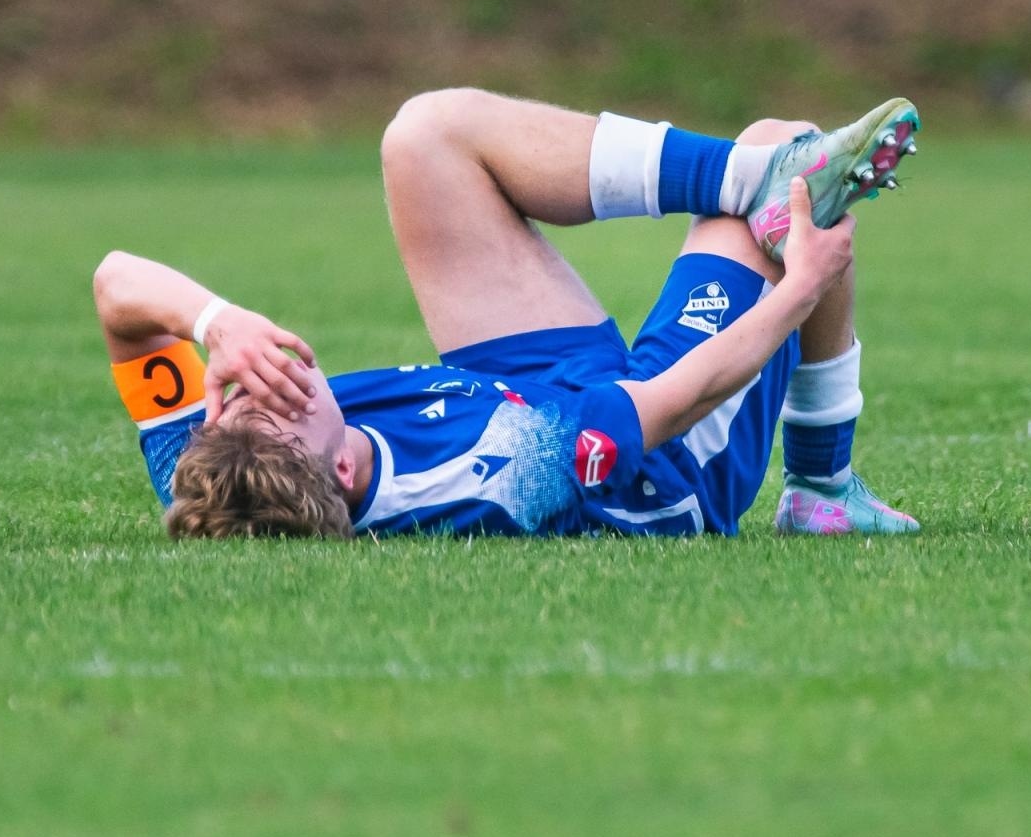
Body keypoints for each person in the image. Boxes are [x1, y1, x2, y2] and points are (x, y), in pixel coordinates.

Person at [93, 89, 922, 539]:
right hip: (657, 450)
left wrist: (215, 323)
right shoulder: (502, 477)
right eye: (281, 404)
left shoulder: (205, 469)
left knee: (425, 138)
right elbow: (679, 397)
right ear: (342, 475)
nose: (267, 380)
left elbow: (116, 286)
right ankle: (822, 488)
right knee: (802, 188)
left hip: (518, 382)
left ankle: (755, 172)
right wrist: (798, 290)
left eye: (240, 392)